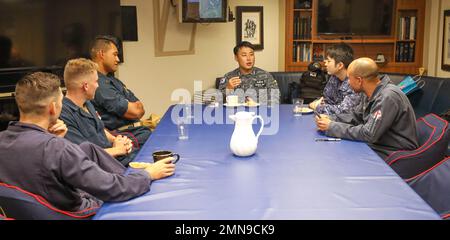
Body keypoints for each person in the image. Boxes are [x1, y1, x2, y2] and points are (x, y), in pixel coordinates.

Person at [0, 72, 175, 212]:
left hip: (40, 209)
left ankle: (128, 176)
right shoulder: (57, 149)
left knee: (87, 148)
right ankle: (133, 178)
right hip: (77, 213)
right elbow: (113, 189)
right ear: (53, 108)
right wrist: (149, 174)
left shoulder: (4, 140)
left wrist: (50, 137)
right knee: (131, 186)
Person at [315, 58, 419, 160]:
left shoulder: (387, 97)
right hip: (381, 144)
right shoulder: (369, 92)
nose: (348, 83)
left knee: (341, 157)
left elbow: (369, 134)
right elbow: (356, 116)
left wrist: (332, 127)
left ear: (359, 80)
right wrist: (331, 118)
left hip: (396, 152)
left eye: (349, 79)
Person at [60, 58, 137, 167]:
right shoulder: (64, 115)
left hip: (115, 160)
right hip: (103, 170)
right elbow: (83, 157)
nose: (98, 85)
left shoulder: (88, 103)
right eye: (96, 81)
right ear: (85, 86)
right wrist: (117, 149)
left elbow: (100, 129)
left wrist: (117, 140)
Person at [90, 35, 151, 147]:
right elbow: (135, 112)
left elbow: (140, 109)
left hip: (136, 130)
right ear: (102, 54)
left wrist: (135, 107)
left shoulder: (111, 79)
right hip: (124, 136)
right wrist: (133, 107)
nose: (118, 59)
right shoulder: (98, 84)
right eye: (115, 54)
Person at [309, 43, 361, 115]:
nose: (325, 64)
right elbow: (326, 99)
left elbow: (344, 111)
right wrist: (318, 103)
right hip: (331, 120)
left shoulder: (354, 82)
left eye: (329, 61)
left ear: (340, 65)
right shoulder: (334, 77)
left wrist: (317, 107)